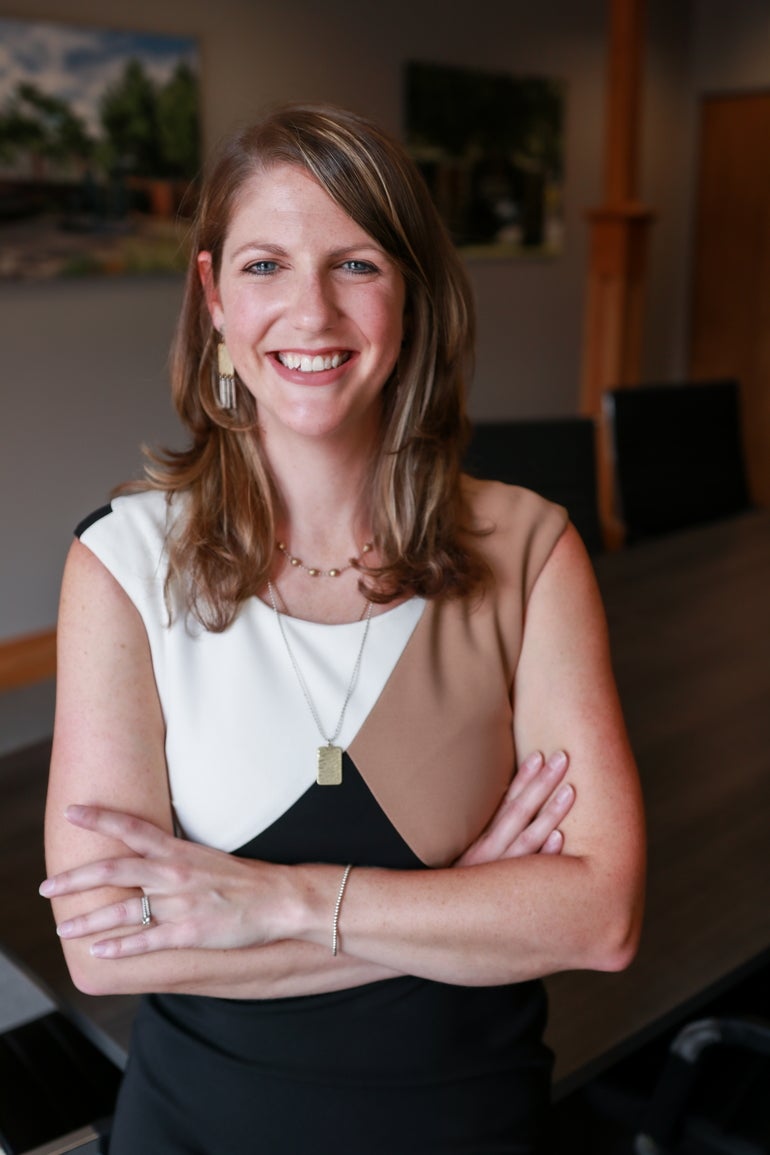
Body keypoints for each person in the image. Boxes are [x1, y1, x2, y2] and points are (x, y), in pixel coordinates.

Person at [41, 103, 645, 1154]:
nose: (309, 312)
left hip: (469, 1126)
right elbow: (107, 953)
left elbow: (597, 920)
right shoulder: (120, 564)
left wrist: (270, 903)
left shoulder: (529, 550)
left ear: (408, 293)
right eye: (266, 265)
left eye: (355, 264)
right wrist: (462, 911)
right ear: (213, 298)